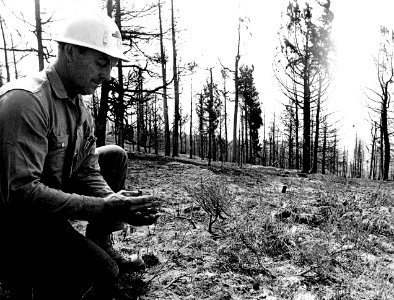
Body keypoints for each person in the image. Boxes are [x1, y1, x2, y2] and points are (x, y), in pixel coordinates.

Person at [0, 10, 160, 300]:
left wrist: (119, 205)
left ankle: (101, 243)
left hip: (46, 208)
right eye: (101, 62)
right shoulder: (25, 101)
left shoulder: (80, 109)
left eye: (110, 65)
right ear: (70, 51)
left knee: (113, 155)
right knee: (104, 275)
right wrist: (101, 207)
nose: (107, 75)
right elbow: (21, 194)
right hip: (16, 222)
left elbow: (87, 169)